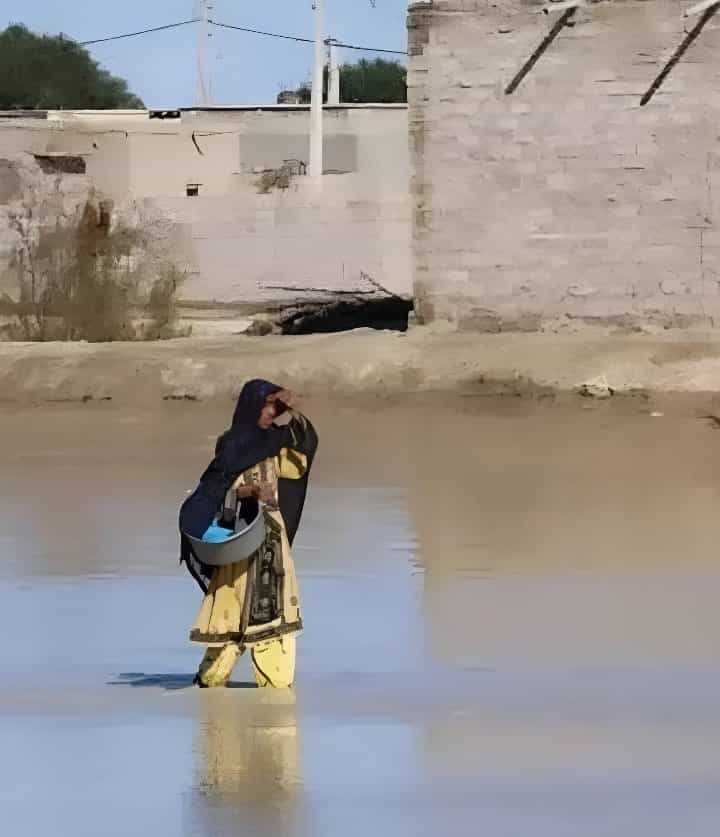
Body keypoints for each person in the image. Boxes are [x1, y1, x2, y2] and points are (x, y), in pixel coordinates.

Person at [179, 379, 318, 688]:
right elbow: (218, 490)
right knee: (231, 615)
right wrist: (252, 491)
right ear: (252, 406)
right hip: (241, 540)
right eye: (268, 406)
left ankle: (276, 687)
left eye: (275, 407)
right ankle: (211, 682)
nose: (272, 413)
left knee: (274, 616)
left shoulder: (275, 442)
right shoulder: (230, 444)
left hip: (271, 539)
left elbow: (302, 454)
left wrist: (292, 412)